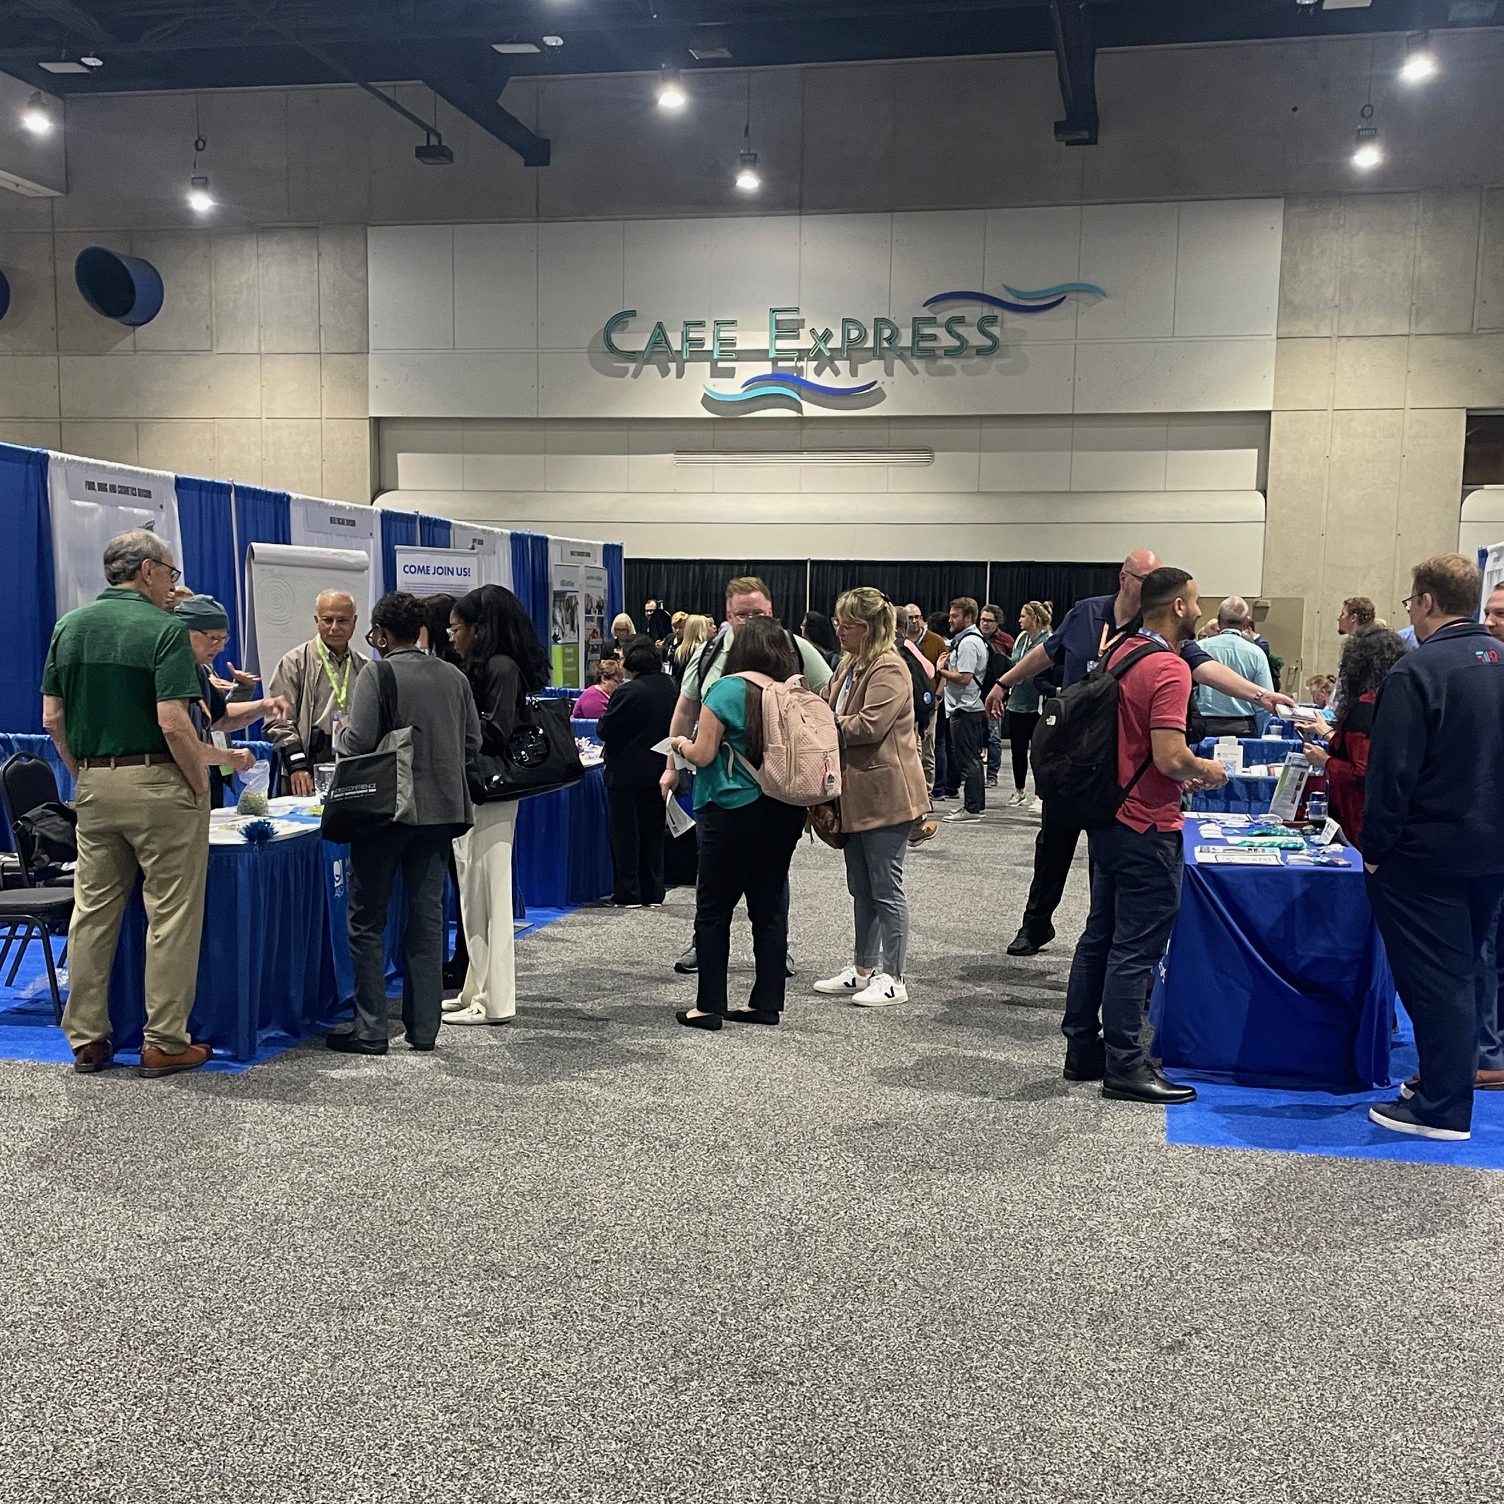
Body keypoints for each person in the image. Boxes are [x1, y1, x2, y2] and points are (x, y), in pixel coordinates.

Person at [985, 548, 1295, 956]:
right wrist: (1004, 682)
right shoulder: (1086, 613)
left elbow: (1202, 666)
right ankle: (1035, 925)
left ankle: (1100, 937)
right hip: (1071, 753)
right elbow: (1048, 653)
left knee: (1106, 858)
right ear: (1124, 578)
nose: (1154, 587)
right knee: (1053, 846)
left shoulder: (1153, 630)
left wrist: (1259, 695)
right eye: (1146, 579)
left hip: (1115, 760)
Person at [40, 529, 215, 1078]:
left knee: (92, 912)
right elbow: (174, 722)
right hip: (160, 783)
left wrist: (83, 774)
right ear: (146, 571)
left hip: (93, 785)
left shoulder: (69, 627)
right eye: (170, 573)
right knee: (172, 914)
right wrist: (200, 784)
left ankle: (87, 1037)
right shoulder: (164, 630)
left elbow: (51, 718)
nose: (172, 584)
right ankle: (164, 1041)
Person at [1061, 567, 1229, 1105]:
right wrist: (1208, 771)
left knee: (1100, 935)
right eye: (1196, 602)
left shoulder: (1119, 651)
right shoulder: (1170, 668)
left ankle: (1082, 1048)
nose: (1199, 611)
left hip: (1108, 815)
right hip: (1148, 824)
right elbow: (1170, 757)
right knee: (1136, 949)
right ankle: (1126, 1064)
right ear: (1178, 606)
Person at [1363, 555, 1504, 1142]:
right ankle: (1444, 1081)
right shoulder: (1500, 662)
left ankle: (1444, 1107)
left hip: (1425, 855)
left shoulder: (1416, 671)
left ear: (1425, 601)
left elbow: (1391, 776)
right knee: (1465, 972)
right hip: (1490, 851)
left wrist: (1374, 849)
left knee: (1435, 980)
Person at [325, 593, 480, 1056]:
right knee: (427, 919)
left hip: (386, 813)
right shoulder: (453, 676)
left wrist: (340, 733)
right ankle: (424, 1028)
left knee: (366, 919)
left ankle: (371, 1029)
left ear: (381, 633)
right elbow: (472, 742)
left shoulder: (378, 674)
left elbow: (358, 743)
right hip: (440, 814)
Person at [661, 575, 833, 976]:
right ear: (727, 615)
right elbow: (684, 710)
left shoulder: (796, 648)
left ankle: (774, 953)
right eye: (743, 615)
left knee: (772, 882)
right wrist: (670, 766)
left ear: (772, 611)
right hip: (718, 792)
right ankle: (705, 947)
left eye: (758, 613)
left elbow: (827, 697)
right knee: (712, 879)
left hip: (782, 787)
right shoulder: (709, 654)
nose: (751, 621)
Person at [668, 618, 809, 1030]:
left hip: (730, 809)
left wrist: (679, 744)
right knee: (769, 909)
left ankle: (709, 1005)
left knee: (714, 910)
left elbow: (704, 754)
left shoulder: (726, 689)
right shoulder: (792, 691)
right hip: (784, 808)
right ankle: (766, 1003)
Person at [813, 589, 928, 1007]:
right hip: (855, 795)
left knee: (885, 887)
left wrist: (823, 724)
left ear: (870, 627)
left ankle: (894, 977)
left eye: (847, 625)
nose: (839, 631)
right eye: (838, 623)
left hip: (887, 794)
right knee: (861, 887)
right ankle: (863, 969)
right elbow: (826, 701)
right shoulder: (849, 663)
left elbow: (870, 726)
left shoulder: (889, 667)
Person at [446, 583, 551, 1026]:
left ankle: (496, 999)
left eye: (456, 628)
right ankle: (476, 988)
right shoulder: (485, 667)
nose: (452, 636)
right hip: (475, 789)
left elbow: (496, 732)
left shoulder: (501, 668)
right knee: (473, 892)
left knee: (490, 892)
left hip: (492, 790)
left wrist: (453, 725)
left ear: (477, 628)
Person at [172, 594, 290, 806]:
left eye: (224, 639)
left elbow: (221, 718)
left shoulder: (198, 671)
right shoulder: (169, 671)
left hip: (202, 782)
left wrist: (263, 706)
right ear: (184, 631)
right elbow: (178, 740)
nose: (220, 647)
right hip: (173, 784)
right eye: (213, 638)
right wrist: (227, 757)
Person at [1299, 626, 1408, 852]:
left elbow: (1362, 771)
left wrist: (1325, 761)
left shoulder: (1365, 708)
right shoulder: (1395, 699)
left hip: (1359, 814)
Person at [264, 590, 369, 798]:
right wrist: (296, 765)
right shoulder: (294, 662)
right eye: (327, 620)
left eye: (342, 620)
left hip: (351, 765)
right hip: (306, 766)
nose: (334, 627)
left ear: (354, 622)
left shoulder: (365, 667)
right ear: (316, 621)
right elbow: (278, 721)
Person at [598, 637, 679, 907]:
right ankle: (653, 891)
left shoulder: (627, 692)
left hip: (626, 773)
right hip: (659, 769)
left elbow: (605, 729)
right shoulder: (670, 685)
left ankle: (628, 892)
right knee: (653, 834)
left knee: (626, 836)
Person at [935, 597, 989, 823]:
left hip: (965, 708)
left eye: (955, 616)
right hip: (968, 707)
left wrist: (941, 670)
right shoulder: (971, 640)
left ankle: (972, 809)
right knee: (972, 759)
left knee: (968, 761)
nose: (950, 619)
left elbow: (965, 677)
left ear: (968, 617)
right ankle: (976, 805)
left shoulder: (968, 643)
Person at [1194, 596, 1274, 738]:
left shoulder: (1198, 649)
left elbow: (1190, 693)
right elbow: (1265, 703)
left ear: (1219, 620)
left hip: (1205, 729)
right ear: (1245, 623)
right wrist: (1258, 732)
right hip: (1243, 729)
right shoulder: (1257, 654)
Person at [1002, 600, 1052, 807]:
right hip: (1017, 702)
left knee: (1039, 752)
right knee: (1018, 750)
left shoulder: (1048, 640)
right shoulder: (1021, 638)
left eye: (1023, 616)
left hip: (1037, 704)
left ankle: (1040, 794)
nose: (1019, 620)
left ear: (1034, 618)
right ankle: (1019, 790)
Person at [901, 603, 947, 801]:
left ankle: (927, 792)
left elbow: (940, 672)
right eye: (910, 618)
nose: (914, 621)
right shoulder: (900, 642)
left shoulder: (936, 641)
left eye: (917, 617)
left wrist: (937, 698)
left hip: (929, 703)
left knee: (927, 749)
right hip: (907, 706)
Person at [977, 604, 1013, 789]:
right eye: (982, 620)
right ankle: (973, 774)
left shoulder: (1006, 641)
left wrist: (1005, 694)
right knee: (976, 736)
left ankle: (992, 775)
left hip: (996, 695)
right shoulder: (974, 638)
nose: (985, 624)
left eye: (989, 621)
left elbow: (1013, 670)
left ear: (997, 622)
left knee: (994, 736)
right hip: (976, 694)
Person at [671, 613, 713, 688]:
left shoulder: (679, 651)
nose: (712, 628)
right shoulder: (703, 650)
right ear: (701, 629)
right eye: (708, 626)